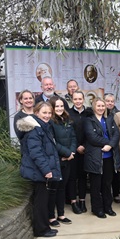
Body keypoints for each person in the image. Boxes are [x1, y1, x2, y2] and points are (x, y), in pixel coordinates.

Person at [17, 102, 62, 237]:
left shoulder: (43, 127)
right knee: (40, 202)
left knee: (43, 201)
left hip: (41, 171)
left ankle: (44, 227)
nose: (47, 115)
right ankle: (41, 230)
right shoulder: (34, 129)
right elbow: (36, 152)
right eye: (44, 113)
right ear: (37, 113)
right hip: (39, 172)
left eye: (49, 113)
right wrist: (46, 170)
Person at [84, 98, 120, 218]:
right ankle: (97, 209)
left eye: (102, 106)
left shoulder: (109, 119)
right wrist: (108, 143)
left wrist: (110, 145)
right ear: (94, 106)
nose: (101, 108)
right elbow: (92, 137)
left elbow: (117, 134)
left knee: (107, 184)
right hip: (95, 158)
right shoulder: (88, 120)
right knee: (96, 185)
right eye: (98, 106)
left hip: (109, 157)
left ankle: (108, 207)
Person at [48, 97, 76, 227]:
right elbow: (53, 142)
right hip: (57, 159)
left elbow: (73, 137)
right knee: (54, 189)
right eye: (56, 106)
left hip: (68, 159)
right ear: (52, 108)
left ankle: (61, 214)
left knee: (62, 188)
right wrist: (66, 153)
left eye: (61, 106)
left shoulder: (67, 120)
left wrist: (71, 153)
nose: (59, 109)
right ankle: (51, 217)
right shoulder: (50, 122)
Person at [68, 91, 91, 214]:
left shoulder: (89, 113)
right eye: (75, 99)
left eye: (80, 99)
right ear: (72, 100)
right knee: (72, 177)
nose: (78, 101)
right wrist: (76, 146)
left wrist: (84, 146)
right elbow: (68, 134)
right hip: (73, 151)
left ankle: (82, 200)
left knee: (83, 177)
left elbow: (92, 133)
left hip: (86, 151)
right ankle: (73, 202)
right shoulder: (69, 114)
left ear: (83, 99)